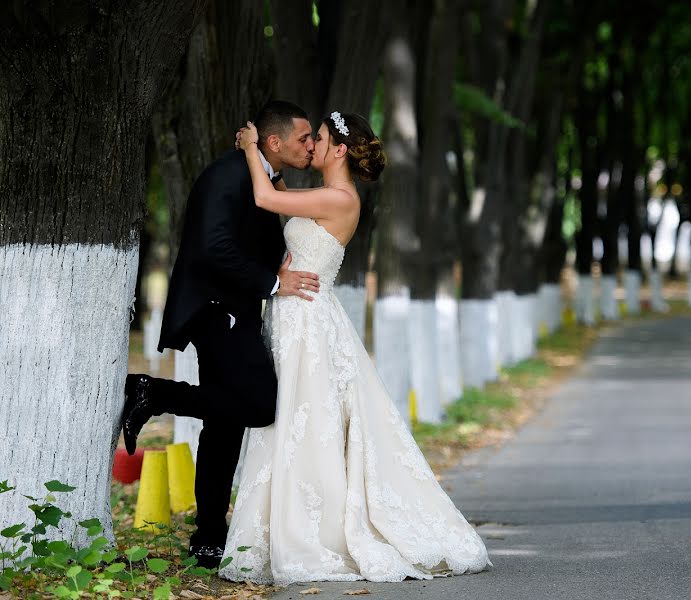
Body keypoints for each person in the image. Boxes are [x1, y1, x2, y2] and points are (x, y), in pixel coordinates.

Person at [218, 111, 491, 584]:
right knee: (288, 417)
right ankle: (279, 527)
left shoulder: (339, 198)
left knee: (304, 418)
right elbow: (285, 213)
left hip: (308, 321)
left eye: (319, 139)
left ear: (340, 150)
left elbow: (265, 198)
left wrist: (249, 146)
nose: (312, 146)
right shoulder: (324, 195)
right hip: (293, 314)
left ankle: (313, 531)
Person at [121, 101, 321, 568]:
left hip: (240, 310)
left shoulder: (262, 175)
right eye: (304, 138)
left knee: (224, 423)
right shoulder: (226, 174)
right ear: (275, 142)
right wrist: (274, 283)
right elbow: (214, 247)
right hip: (218, 311)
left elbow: (258, 229)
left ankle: (209, 535)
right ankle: (152, 391)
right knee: (258, 405)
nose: (310, 145)